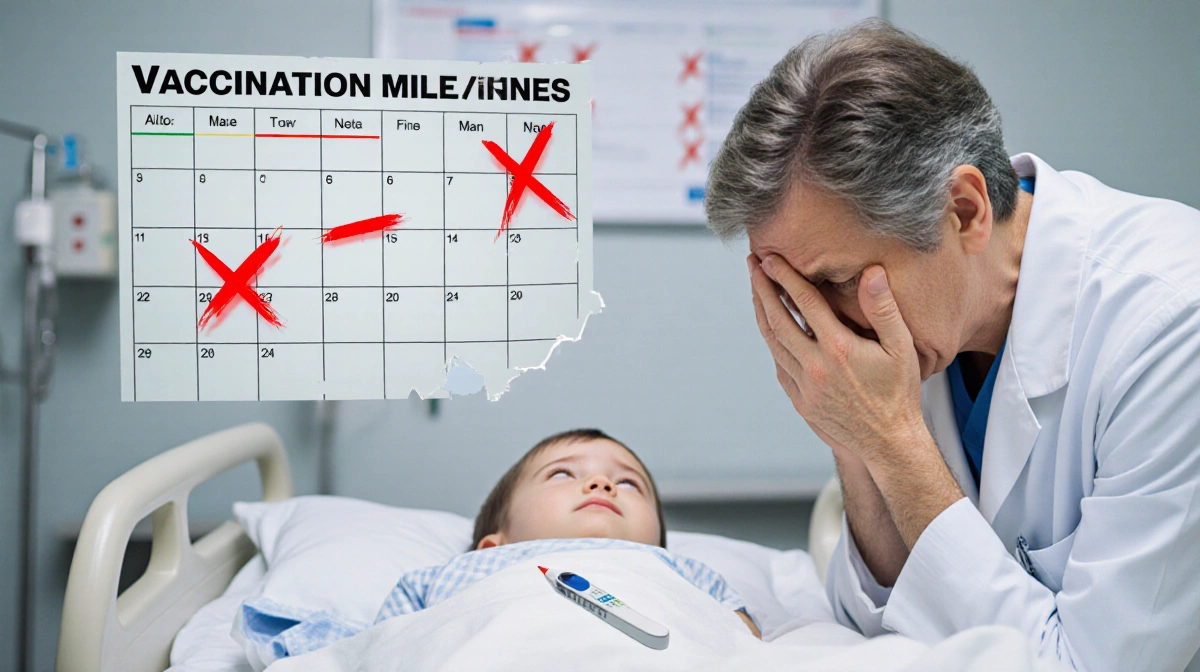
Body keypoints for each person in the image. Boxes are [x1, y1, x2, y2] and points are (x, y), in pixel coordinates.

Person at [705, 19, 1200, 672]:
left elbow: (1091, 665)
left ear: (965, 210)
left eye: (839, 282)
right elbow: (875, 626)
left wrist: (892, 441)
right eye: (793, 294)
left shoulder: (1171, 322)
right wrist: (852, 440)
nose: (828, 335)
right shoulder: (926, 320)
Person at [237, 429, 759, 666]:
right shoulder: (457, 574)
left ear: (658, 538)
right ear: (494, 541)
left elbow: (746, 646)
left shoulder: (678, 568)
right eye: (564, 474)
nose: (602, 485)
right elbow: (389, 647)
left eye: (629, 484)